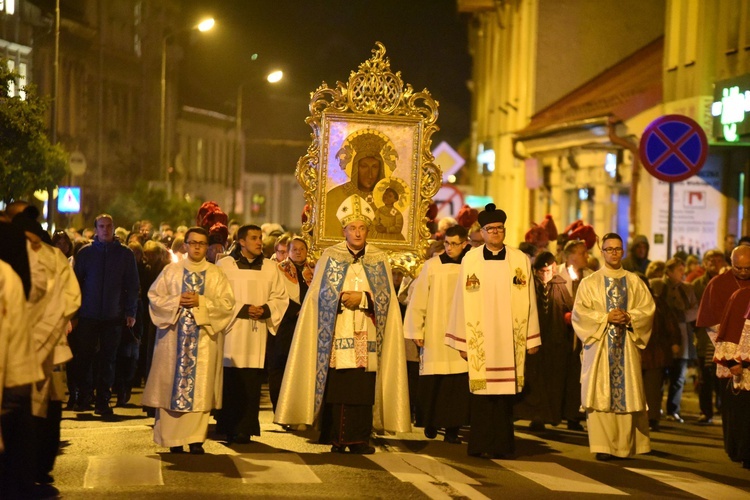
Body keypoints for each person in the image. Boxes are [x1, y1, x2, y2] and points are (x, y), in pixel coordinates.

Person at [275, 194, 410, 454]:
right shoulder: (330, 256)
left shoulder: (379, 258)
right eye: (352, 228)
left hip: (367, 330)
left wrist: (364, 299)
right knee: (338, 386)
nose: (357, 233)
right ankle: (336, 437)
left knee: (362, 387)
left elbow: (388, 301)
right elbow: (316, 296)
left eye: (361, 228)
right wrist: (337, 298)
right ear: (344, 230)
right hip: (337, 331)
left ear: (367, 230)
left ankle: (359, 438)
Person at [445, 203, 541, 459]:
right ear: (483, 232)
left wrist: (532, 337)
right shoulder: (471, 259)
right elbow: (460, 300)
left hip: (510, 339)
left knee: (504, 398)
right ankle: (479, 445)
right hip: (481, 340)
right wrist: (463, 342)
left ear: (504, 231)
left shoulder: (520, 259)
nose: (496, 232)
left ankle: (503, 446)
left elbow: (529, 298)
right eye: (491, 229)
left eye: (499, 228)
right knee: (482, 396)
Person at [142, 227, 235, 454]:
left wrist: (201, 302)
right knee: (170, 386)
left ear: (207, 247)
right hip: (172, 342)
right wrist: (176, 301)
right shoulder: (171, 271)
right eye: (192, 242)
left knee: (200, 388)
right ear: (185, 245)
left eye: (201, 243)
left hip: (203, 343)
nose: (196, 247)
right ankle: (173, 440)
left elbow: (227, 305)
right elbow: (154, 297)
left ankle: (195, 439)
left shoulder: (215, 274)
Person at [12, 213, 81, 490]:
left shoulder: (53, 258)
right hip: (17, 346)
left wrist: (46, 332)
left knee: (46, 409)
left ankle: (38, 466)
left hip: (47, 347)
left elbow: (69, 298)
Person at [572, 233, 655, 461]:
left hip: (626, 347)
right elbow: (580, 314)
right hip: (600, 347)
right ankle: (603, 446)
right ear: (602, 251)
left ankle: (624, 446)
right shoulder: (590, 283)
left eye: (618, 249)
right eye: (609, 249)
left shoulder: (634, 281)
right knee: (600, 394)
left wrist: (629, 316)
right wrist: (606, 317)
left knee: (627, 391)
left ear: (623, 251)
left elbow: (648, 309)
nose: (614, 253)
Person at [215, 225, 288, 444]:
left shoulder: (269, 267)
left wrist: (265, 309)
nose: (259, 242)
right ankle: (227, 425)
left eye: (260, 238)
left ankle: (245, 427)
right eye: (254, 238)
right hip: (232, 331)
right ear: (242, 242)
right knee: (231, 379)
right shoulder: (224, 265)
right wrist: (244, 308)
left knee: (251, 381)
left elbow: (280, 297)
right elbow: (217, 297)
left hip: (256, 333)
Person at [404, 225, 471, 444]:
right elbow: (419, 298)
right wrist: (417, 329)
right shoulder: (432, 266)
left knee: (457, 385)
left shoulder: (472, 265)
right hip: (435, 331)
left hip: (462, 332)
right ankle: (431, 422)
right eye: (446, 244)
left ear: (464, 243)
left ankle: (453, 428)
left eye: (454, 244)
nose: (449, 248)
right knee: (435, 381)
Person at [71, 214, 140, 416]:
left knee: (108, 359)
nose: (105, 230)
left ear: (114, 228)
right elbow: (75, 285)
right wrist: (74, 313)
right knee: (85, 356)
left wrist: (130, 312)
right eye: (101, 226)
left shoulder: (124, 255)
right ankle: (85, 396)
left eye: (108, 226)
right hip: (88, 314)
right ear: (96, 229)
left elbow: (132, 285)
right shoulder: (86, 254)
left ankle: (103, 400)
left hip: (113, 315)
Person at [696, 245, 750, 469]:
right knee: (734, 407)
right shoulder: (718, 285)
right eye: (739, 267)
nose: (744, 272)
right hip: (728, 354)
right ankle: (736, 448)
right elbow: (711, 325)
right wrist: (731, 355)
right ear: (731, 262)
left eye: (748, 268)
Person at [515, 251, 582, 431]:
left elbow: (568, 308)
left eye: (548, 271)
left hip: (555, 342)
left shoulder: (559, 286)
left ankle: (549, 415)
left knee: (553, 381)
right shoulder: (529, 285)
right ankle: (533, 414)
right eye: (541, 271)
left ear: (553, 269)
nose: (545, 275)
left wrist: (568, 318)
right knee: (534, 379)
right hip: (535, 340)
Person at [650, 258, 697, 424]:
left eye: (683, 270)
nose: (682, 273)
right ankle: (656, 407)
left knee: (678, 376)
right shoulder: (656, 285)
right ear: (668, 272)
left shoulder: (688, 289)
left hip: (682, 336)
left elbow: (695, 311)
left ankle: (673, 409)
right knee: (660, 375)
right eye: (679, 270)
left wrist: (679, 316)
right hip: (662, 337)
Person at [270, 237, 313, 413]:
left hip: (307, 324)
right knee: (280, 365)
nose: (298, 251)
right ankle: (280, 408)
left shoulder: (313, 269)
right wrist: (296, 310)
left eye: (302, 248)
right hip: (285, 324)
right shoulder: (279, 270)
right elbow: (277, 294)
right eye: (294, 249)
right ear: (287, 252)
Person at [692, 249, 726, 424]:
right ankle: (706, 411)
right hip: (705, 335)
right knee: (705, 376)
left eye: (718, 259)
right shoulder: (697, 284)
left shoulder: (728, 281)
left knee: (723, 374)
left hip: (724, 335)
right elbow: (693, 311)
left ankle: (722, 407)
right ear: (704, 263)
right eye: (710, 259)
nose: (714, 262)